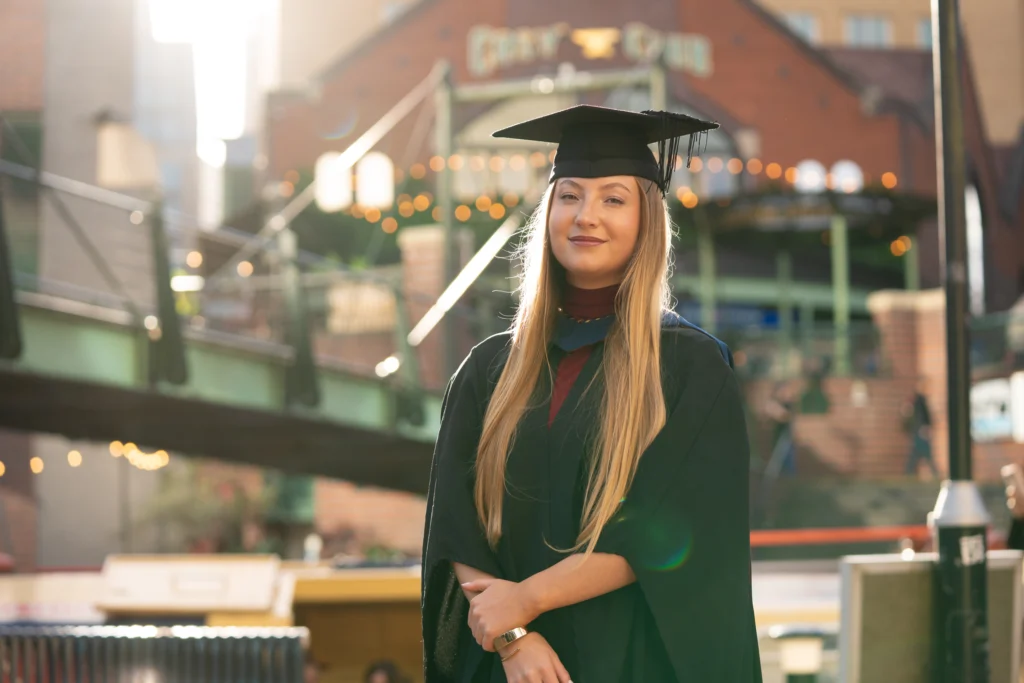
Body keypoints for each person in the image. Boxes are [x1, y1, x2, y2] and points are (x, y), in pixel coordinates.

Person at [421, 105, 762, 683]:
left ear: (646, 219)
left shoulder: (689, 366)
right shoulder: (487, 370)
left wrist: (525, 602)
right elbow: (457, 524)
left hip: (634, 660)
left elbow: (670, 528)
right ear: (548, 211)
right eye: (570, 196)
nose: (586, 217)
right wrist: (512, 640)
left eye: (613, 199)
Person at [902, 384, 938, 478]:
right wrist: (924, 427)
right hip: (920, 431)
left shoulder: (918, 401)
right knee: (923, 453)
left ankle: (908, 472)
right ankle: (909, 472)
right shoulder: (919, 401)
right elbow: (922, 417)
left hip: (919, 431)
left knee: (918, 454)